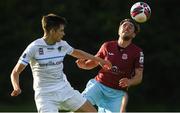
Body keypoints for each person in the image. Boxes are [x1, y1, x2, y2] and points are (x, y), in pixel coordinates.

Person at [10, 13, 112, 113]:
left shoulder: (62, 45)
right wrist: (16, 88)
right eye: (61, 30)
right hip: (45, 95)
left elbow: (77, 52)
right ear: (52, 31)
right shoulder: (34, 47)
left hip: (65, 90)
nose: (64, 34)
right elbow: (15, 72)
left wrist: (100, 60)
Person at [76, 18, 144, 113]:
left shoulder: (137, 52)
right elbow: (92, 63)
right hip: (98, 85)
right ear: (119, 30)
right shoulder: (107, 46)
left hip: (117, 94)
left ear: (134, 34)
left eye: (131, 27)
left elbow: (139, 76)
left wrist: (130, 81)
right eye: (124, 25)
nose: (127, 27)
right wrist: (83, 65)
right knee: (79, 108)